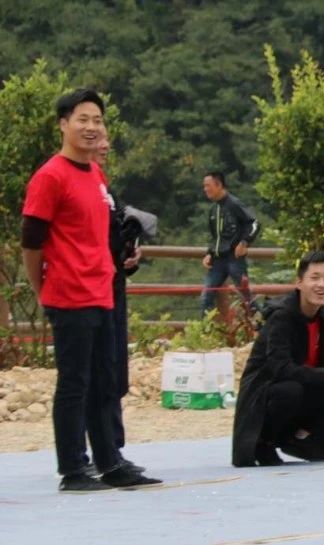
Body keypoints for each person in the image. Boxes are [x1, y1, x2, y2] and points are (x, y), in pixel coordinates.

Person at [22, 89, 161, 491]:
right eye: (82, 119)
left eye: (97, 120)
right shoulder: (50, 176)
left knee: (105, 381)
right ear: (63, 124)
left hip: (102, 290)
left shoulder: (96, 174)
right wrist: (41, 288)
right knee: (74, 383)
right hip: (69, 294)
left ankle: (109, 462)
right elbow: (31, 241)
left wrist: (122, 258)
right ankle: (73, 469)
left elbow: (101, 233)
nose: (91, 127)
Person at [231, 251, 324, 467]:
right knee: (290, 390)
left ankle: (300, 437)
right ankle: (264, 442)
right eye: (315, 278)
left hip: (304, 383)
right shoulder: (281, 316)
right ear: (299, 282)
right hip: (267, 392)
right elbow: (280, 369)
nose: (322, 284)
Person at [93, 134, 146, 476]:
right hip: (86, 289)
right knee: (88, 372)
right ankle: (81, 457)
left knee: (113, 367)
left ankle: (113, 448)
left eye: (105, 136)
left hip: (113, 285)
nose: (103, 143)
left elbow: (116, 236)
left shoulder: (104, 188)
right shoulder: (66, 180)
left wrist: (132, 254)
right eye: (95, 133)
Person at [201, 171, 260, 315]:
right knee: (206, 297)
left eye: (208, 185)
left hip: (234, 258)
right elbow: (216, 237)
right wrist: (209, 253)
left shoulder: (234, 204)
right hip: (218, 261)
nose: (205, 189)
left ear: (219, 185)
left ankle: (261, 325)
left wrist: (245, 242)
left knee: (245, 297)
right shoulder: (213, 209)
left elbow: (254, 223)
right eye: (204, 186)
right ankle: (205, 333)